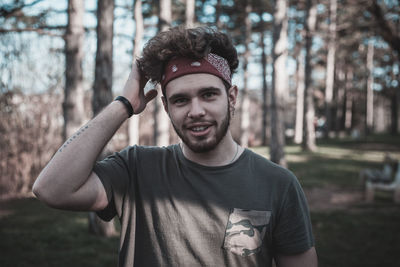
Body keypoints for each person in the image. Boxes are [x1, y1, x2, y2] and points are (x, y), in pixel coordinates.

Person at [33, 26, 317, 267]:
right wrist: (124, 105)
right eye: (181, 100)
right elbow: (51, 189)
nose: (196, 111)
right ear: (166, 106)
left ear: (232, 97)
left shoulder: (278, 184)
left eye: (208, 95)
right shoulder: (136, 170)